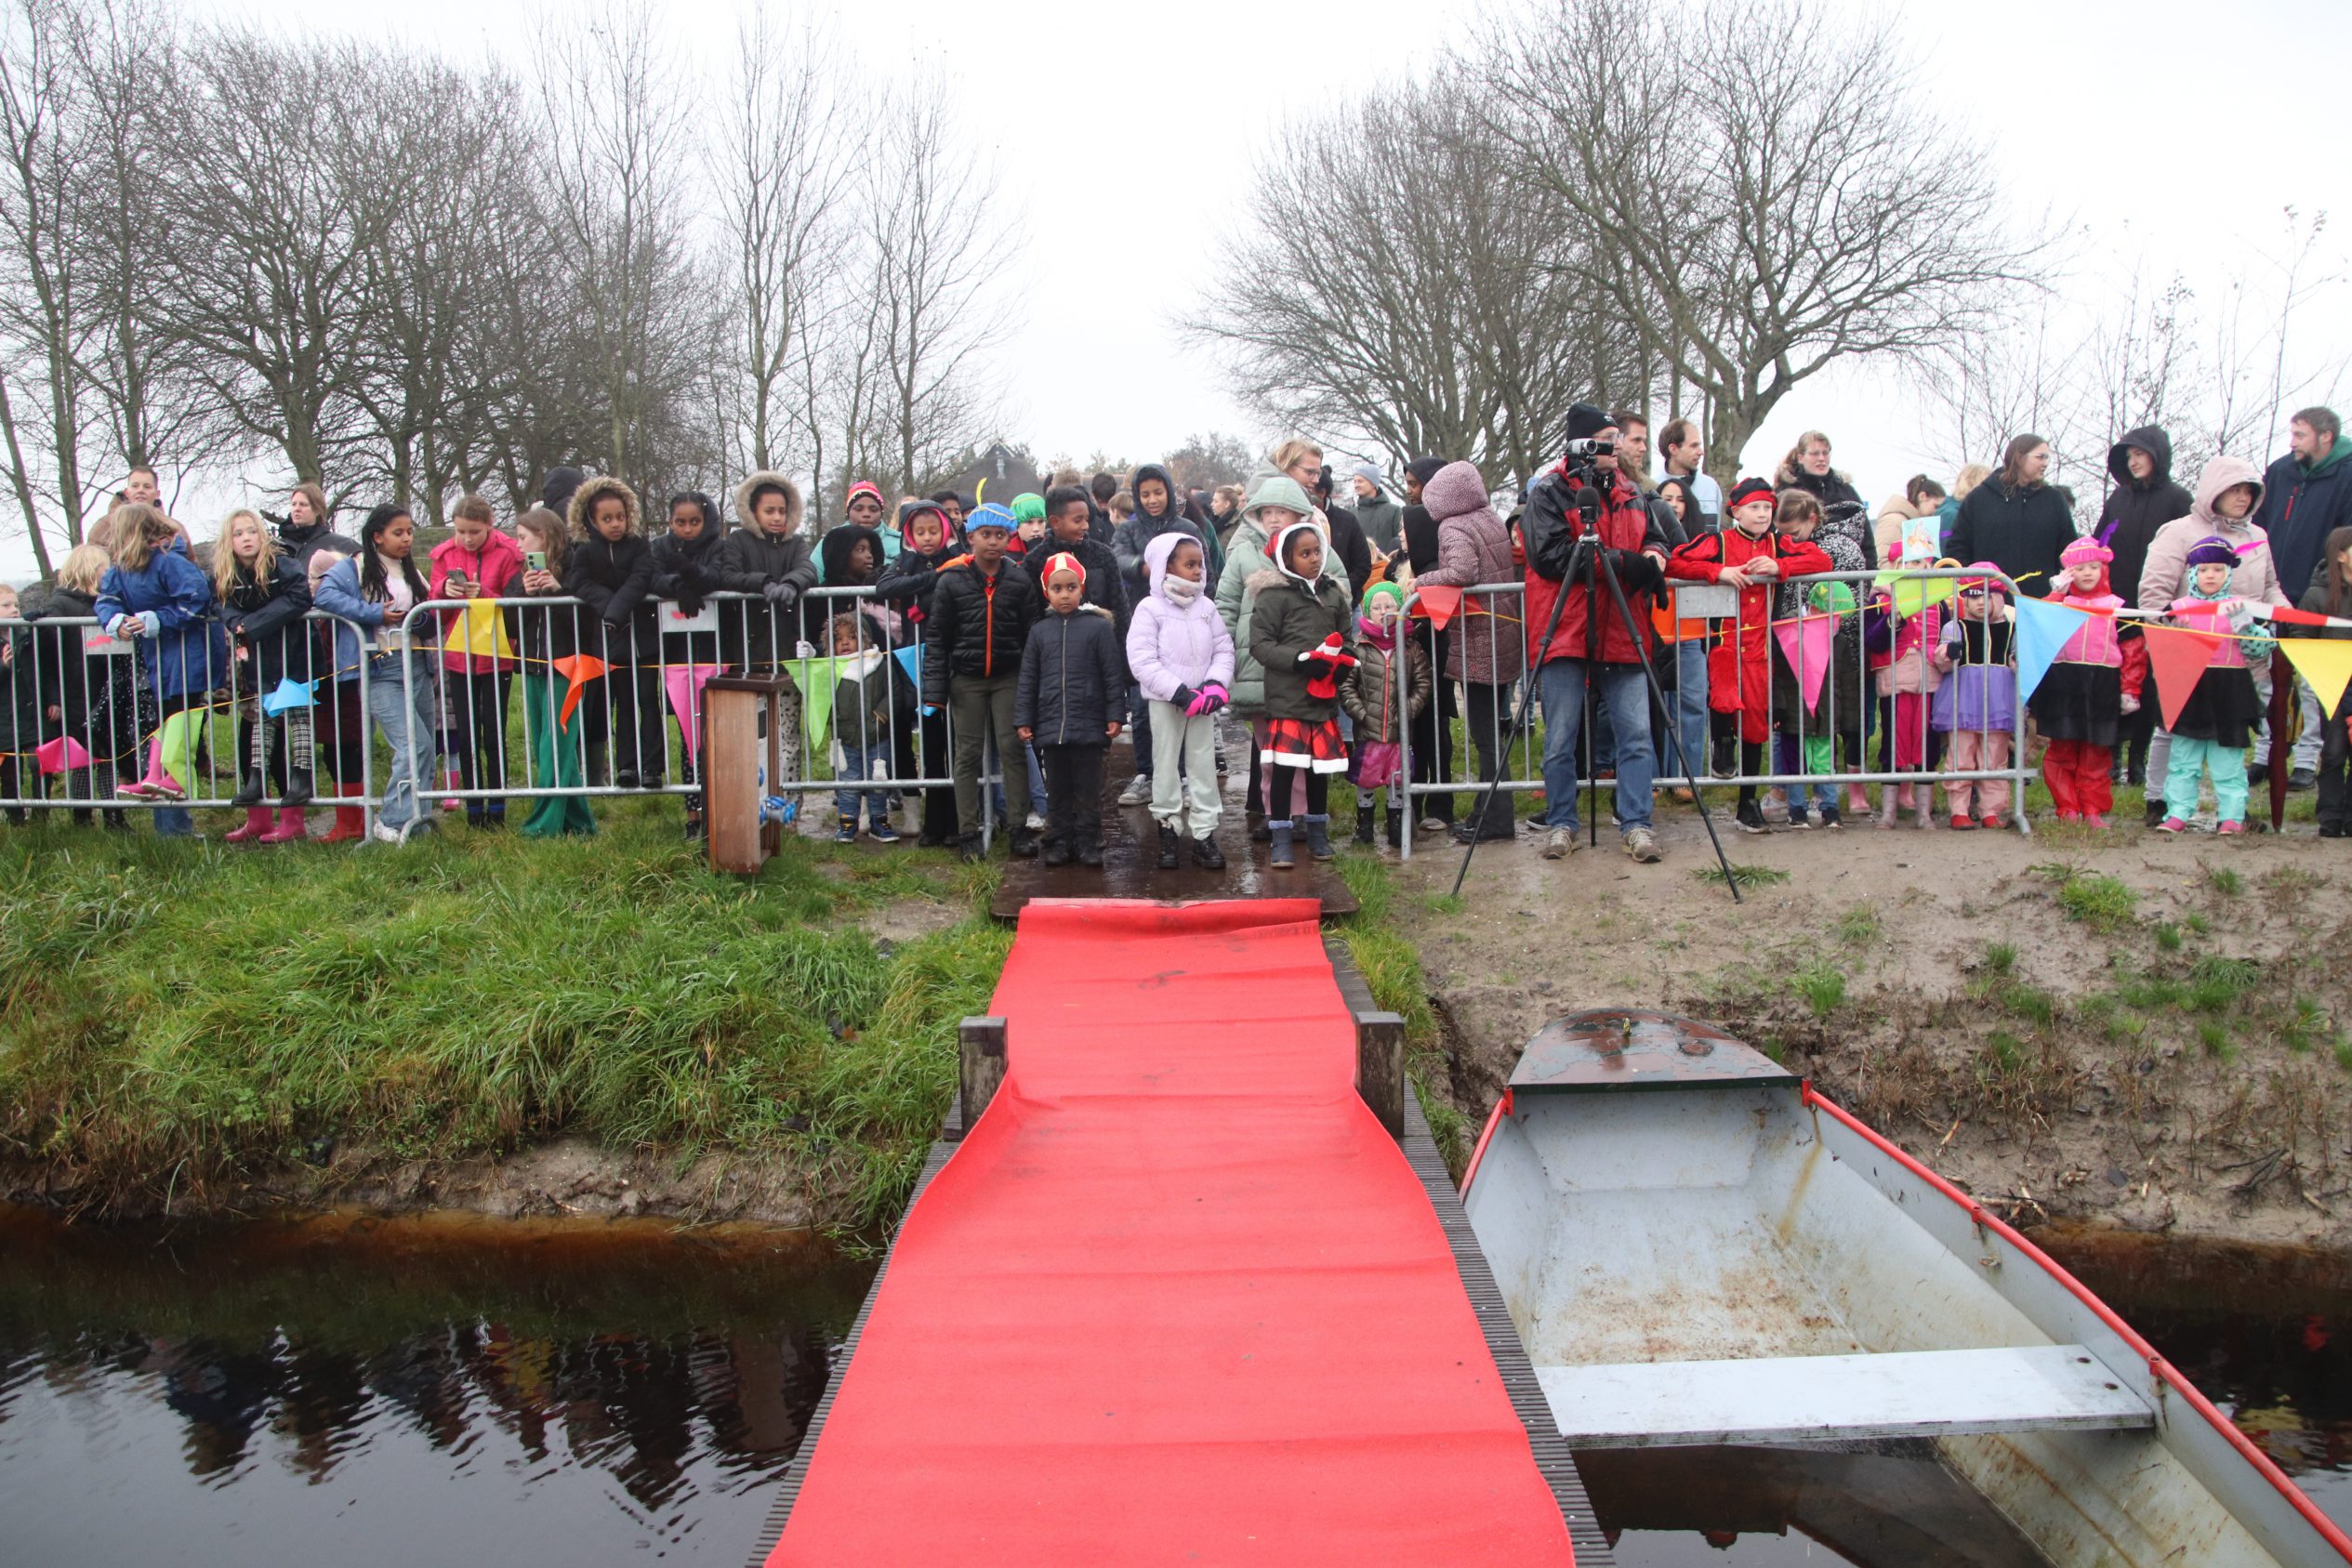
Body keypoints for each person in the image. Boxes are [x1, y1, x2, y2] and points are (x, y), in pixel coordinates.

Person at [1522, 404, 1672, 863]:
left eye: (1617, 439)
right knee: (1561, 737)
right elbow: (1550, 555)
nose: (1616, 447)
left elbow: (1660, 536)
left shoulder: (1633, 491)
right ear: (1582, 444)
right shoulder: (1549, 491)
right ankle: (1561, 822)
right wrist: (1622, 563)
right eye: (1607, 439)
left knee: (1636, 734)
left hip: (1622, 627)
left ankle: (1637, 823)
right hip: (1566, 628)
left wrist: (1653, 556)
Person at [1668, 478, 1834, 834]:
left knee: (1757, 727)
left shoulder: (1779, 544)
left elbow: (1822, 559)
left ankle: (1747, 803)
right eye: (1754, 507)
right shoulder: (1718, 542)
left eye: (1767, 508)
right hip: (1725, 644)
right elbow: (1675, 563)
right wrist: (1717, 571)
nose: (1762, 514)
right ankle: (1721, 748)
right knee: (1724, 698)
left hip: (1760, 650)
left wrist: (1780, 568)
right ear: (1736, 511)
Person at [2136, 456, 2287, 824]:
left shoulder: (2258, 536)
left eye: (2249, 490)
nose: (2243, 497)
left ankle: (2233, 810)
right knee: (2172, 729)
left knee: (2230, 733)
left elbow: (2270, 587)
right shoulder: (2177, 532)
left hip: (2240, 653)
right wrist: (2169, 637)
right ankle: (2160, 801)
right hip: (2184, 651)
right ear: (2213, 491)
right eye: (2234, 489)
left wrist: (2285, 616)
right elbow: (2154, 595)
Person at [1217, 472, 1352, 838]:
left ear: (1298, 514)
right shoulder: (1244, 554)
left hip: (1309, 670)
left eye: (1282, 511)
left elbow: (1340, 593)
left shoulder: (1319, 551)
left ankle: (1304, 815)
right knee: (1271, 751)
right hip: (1256, 666)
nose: (1273, 518)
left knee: (1306, 750)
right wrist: (1225, 652)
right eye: (1266, 512)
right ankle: (1275, 813)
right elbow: (1226, 604)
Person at [311, 504, 440, 843]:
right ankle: (390, 821)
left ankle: (418, 822)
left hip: (418, 664)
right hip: (381, 669)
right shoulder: (353, 567)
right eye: (398, 533)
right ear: (377, 536)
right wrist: (372, 613)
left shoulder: (411, 571)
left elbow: (429, 611)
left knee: (427, 746)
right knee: (414, 745)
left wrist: (425, 617)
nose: (406, 538)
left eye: (409, 532)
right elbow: (325, 595)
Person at [96, 504, 223, 838]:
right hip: (157, 659)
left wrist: (156, 619)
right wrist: (116, 621)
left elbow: (196, 600)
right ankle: (158, 781)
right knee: (164, 720)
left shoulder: (170, 561)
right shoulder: (121, 569)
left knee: (178, 718)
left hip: (188, 656)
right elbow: (107, 599)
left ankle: (173, 788)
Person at [1415, 459, 1522, 842]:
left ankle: (1497, 820)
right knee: (1491, 730)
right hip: (1502, 634)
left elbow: (1462, 572)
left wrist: (1421, 581)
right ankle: (1485, 811)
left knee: (1486, 736)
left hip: (1479, 639)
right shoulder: (1489, 518)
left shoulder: (1454, 525)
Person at [926, 504, 1041, 858]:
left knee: (1013, 749)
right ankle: (968, 832)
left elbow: (1032, 635)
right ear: (971, 537)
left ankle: (1018, 827)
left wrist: (1032, 684)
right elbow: (937, 638)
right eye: (986, 535)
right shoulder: (951, 581)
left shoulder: (1019, 580)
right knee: (967, 754)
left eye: (1000, 535)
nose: (993, 542)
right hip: (966, 678)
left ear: (1009, 538)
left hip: (1008, 676)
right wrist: (935, 692)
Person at [1249, 520, 1356, 869]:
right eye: (1304, 553)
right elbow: (1260, 645)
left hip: (1322, 700)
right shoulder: (1273, 596)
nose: (1314, 559)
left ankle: (1317, 834)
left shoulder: (1333, 593)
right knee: (1284, 770)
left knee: (1318, 771)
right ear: (1287, 558)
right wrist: (1299, 661)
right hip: (1288, 699)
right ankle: (1281, 837)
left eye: (1317, 551)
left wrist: (1343, 664)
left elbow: (1347, 638)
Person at [2256, 408, 2352, 789]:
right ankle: (2266, 753)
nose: (2292, 442)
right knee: (2267, 676)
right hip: (2274, 590)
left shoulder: (2347, 472)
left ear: (2325, 436)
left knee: (2313, 684)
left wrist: (2330, 584)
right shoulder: (2281, 471)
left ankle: (2308, 761)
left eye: (2300, 434)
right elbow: (2260, 526)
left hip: (2322, 592)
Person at [1126, 532, 1233, 871]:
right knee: (1165, 763)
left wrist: (1215, 684)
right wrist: (1178, 692)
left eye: (1200, 564)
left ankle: (1204, 834)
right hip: (1167, 701)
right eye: (1190, 564)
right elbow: (1142, 659)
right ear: (1166, 566)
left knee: (1203, 765)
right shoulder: (1150, 609)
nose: (1198, 570)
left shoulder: (1206, 607)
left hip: (1203, 701)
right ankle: (1168, 829)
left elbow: (1223, 648)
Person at [2153, 536, 2272, 835]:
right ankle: (2177, 812)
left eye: (2218, 570)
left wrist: (2247, 629)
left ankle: (2232, 816)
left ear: (2228, 573)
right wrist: (2173, 635)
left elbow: (2258, 650)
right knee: (2183, 760)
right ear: (2193, 573)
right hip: (2190, 691)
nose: (2210, 576)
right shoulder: (2176, 608)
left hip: (2230, 691)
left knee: (2228, 762)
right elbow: (2160, 653)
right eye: (2204, 570)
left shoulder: (2239, 608)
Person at [2095, 427, 2192, 790]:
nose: (2133, 462)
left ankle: (2139, 756)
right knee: (2116, 676)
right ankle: (2112, 755)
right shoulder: (2118, 498)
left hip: (2160, 603)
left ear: (2157, 455)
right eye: (2129, 456)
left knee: (2150, 683)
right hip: (2118, 603)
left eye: (2139, 454)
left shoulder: (2178, 499)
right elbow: (2099, 541)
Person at [213, 507, 315, 842]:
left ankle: (301, 779)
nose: (246, 538)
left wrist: (253, 624)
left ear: (263, 534)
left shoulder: (281, 563)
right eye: (238, 533)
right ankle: (256, 781)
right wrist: (235, 622)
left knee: (298, 717)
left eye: (251, 531)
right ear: (228, 540)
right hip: (259, 661)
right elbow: (219, 602)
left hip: (295, 654)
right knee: (261, 718)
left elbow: (300, 596)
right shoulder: (226, 573)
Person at [1015, 552, 1123, 867]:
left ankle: (1088, 841)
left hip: (1089, 724)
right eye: (1057, 588)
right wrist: (1024, 718)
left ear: (1082, 589)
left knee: (1088, 789)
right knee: (1058, 789)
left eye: (1071, 587)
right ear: (1046, 592)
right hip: (1051, 725)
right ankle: (1059, 840)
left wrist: (1115, 714)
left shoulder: (1099, 628)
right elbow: (1028, 678)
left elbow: (1112, 675)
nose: (1064, 595)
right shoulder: (1039, 631)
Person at [427, 494, 522, 829]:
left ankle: (497, 809)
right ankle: (473, 809)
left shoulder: (509, 554)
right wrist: (443, 591)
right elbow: (434, 610)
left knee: (494, 734)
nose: (467, 539)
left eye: (474, 532)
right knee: (467, 736)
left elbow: (515, 602)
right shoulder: (444, 555)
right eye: (461, 531)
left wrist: (485, 595)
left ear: (489, 525)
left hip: (496, 657)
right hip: (459, 658)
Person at [563, 476, 663, 791]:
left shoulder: (639, 545)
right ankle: (626, 767)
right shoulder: (584, 550)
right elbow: (579, 583)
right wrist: (610, 608)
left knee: (648, 700)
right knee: (622, 702)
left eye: (620, 516)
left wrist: (617, 608)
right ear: (592, 521)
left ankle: (652, 768)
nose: (616, 524)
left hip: (643, 639)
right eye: (607, 519)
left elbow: (642, 577)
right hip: (608, 640)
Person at [25, 545, 131, 828]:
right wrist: (54, 697)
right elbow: (46, 659)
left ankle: (113, 814)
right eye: (104, 567)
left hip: (105, 690)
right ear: (89, 570)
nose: (109, 572)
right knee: (82, 758)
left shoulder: (107, 603)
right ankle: (82, 816)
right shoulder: (59, 606)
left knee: (108, 755)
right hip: (74, 693)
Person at [876, 500, 962, 846]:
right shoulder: (904, 561)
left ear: (945, 531)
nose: (927, 538)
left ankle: (958, 822)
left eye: (933, 531)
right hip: (920, 661)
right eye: (920, 532)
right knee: (930, 742)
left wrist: (922, 592)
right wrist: (933, 578)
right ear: (910, 534)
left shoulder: (958, 557)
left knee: (956, 744)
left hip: (955, 657)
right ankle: (933, 823)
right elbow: (884, 587)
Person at [650, 492, 729, 838]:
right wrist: (677, 586)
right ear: (670, 522)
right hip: (677, 655)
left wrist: (686, 571)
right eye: (679, 522)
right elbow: (652, 578)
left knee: (717, 734)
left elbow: (715, 578)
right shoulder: (659, 547)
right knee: (688, 735)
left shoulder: (718, 546)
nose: (686, 529)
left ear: (705, 521)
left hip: (714, 651)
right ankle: (693, 813)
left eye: (694, 522)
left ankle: (720, 807)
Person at [513, 507, 595, 838]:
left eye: (523, 537)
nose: (518, 544)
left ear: (543, 536)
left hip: (567, 667)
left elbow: (585, 622)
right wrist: (524, 594)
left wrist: (558, 592)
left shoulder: (576, 567)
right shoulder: (522, 572)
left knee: (555, 745)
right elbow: (508, 621)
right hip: (534, 666)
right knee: (546, 744)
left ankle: (543, 824)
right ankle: (579, 823)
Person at [2032, 536, 2126, 826]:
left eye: (2093, 567)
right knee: (2061, 750)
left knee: (2096, 752)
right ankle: (2067, 808)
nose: (2087, 573)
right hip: (2064, 683)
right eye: (2080, 568)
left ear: (2103, 569)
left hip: (2102, 684)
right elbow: (2038, 625)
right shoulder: (2060, 603)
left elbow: (2132, 650)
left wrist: (2131, 689)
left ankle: (2092, 809)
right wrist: (2056, 595)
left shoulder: (2118, 606)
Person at [1340, 581, 1431, 850]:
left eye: (1389, 606)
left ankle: (1396, 824)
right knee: (1366, 777)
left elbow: (1423, 683)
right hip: (1368, 730)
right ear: (1367, 613)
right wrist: (1360, 713)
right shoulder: (1360, 647)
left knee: (1397, 777)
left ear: (1401, 610)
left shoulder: (1411, 648)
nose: (1383, 612)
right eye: (1377, 607)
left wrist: (1408, 710)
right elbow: (1346, 686)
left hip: (1398, 731)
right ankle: (1364, 824)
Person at [1931, 567, 2019, 830]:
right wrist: (1948, 653)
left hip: (1999, 701)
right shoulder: (1955, 627)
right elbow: (1941, 660)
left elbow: (2018, 661)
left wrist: (2020, 662)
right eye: (1973, 596)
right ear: (1965, 600)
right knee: (1961, 756)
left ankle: (1991, 811)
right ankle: (1959, 810)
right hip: (1962, 702)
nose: (1980, 602)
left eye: (1987, 595)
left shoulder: (2012, 628)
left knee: (1995, 758)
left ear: (1999, 597)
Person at [1395, 455, 1457, 831]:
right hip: (1414, 657)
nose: (1410, 492)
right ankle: (1414, 803)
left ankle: (1440, 803)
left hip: (1435, 652)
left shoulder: (1438, 543)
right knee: (1416, 732)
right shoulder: (1409, 559)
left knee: (1435, 730)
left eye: (1414, 483)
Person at [1946, 435, 2072, 599]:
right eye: (2040, 457)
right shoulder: (1979, 499)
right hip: (1988, 602)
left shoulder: (2054, 500)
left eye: (2047, 457)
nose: (2045, 463)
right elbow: (1958, 547)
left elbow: (2069, 551)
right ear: (2019, 457)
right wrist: (1972, 587)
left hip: (2041, 601)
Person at [828, 612, 911, 845]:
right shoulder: (832, 669)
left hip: (878, 735)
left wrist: (881, 716)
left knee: (878, 780)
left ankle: (879, 820)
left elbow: (893, 693)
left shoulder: (879, 665)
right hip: (845, 737)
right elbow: (821, 696)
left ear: (865, 638)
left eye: (852, 637)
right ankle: (847, 822)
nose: (845, 643)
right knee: (848, 780)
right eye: (839, 639)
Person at [2295, 526, 2352, 837]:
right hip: (2331, 684)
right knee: (2333, 751)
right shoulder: (2317, 595)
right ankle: (2330, 815)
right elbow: (2300, 635)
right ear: (2341, 556)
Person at [1658, 419, 1723, 527]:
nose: (1701, 452)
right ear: (1673, 449)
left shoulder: (1710, 486)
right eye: (1694, 446)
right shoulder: (1652, 488)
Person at [1352, 464, 1404, 556]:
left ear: (1373, 483)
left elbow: (1400, 542)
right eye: (1355, 481)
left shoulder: (1394, 511)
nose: (1356, 485)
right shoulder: (1351, 513)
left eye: (1360, 481)